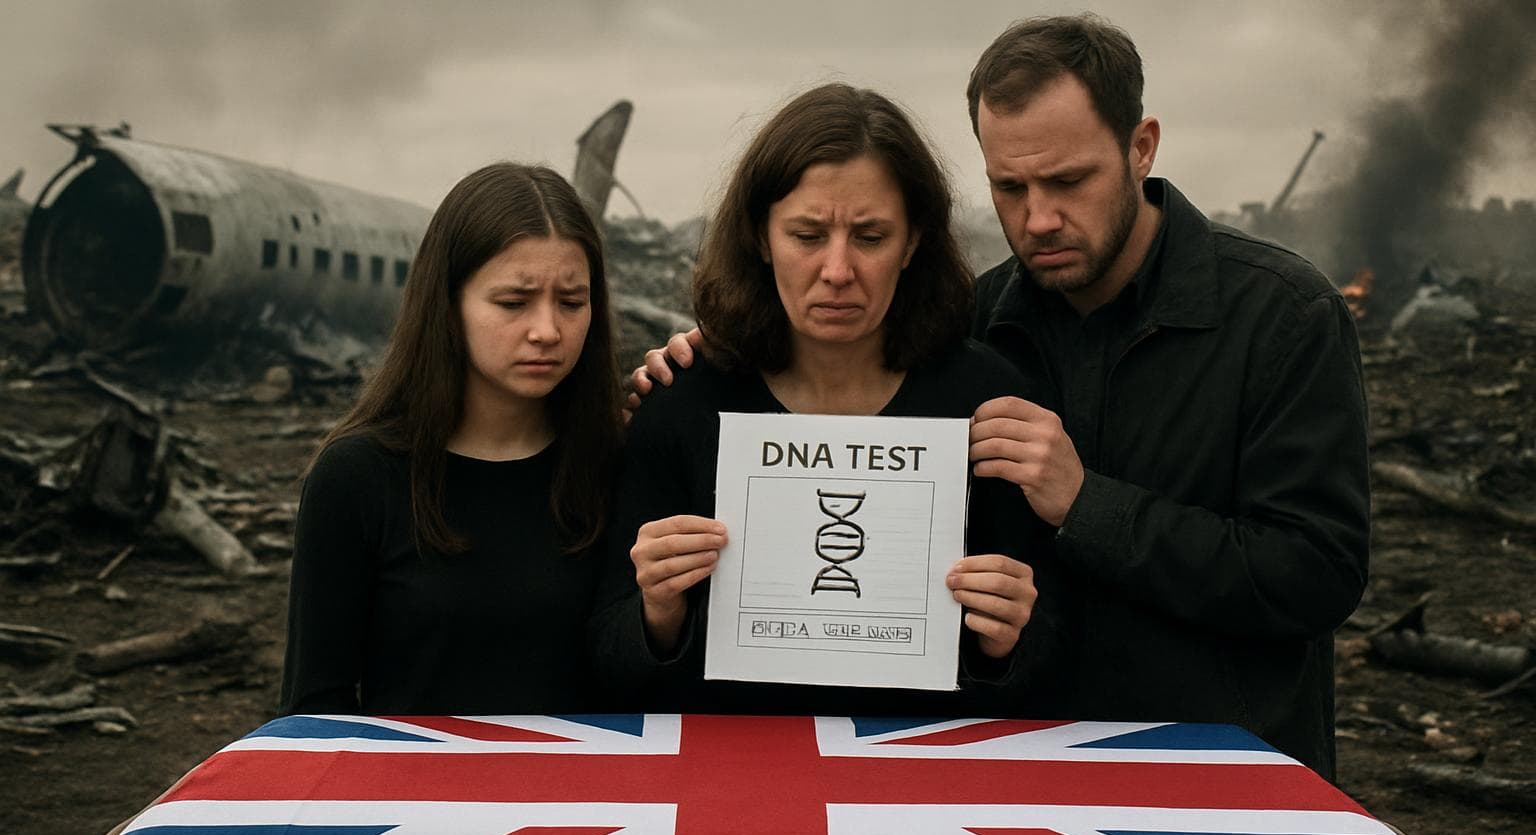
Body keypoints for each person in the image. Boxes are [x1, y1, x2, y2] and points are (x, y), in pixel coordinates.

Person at [627, 14, 1370, 777]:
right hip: (1023, 784)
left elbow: (1316, 575)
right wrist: (712, 349)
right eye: (1008, 186)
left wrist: (1088, 506)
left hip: (1227, 777)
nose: (1039, 217)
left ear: (1141, 147)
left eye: (1069, 181)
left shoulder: (1282, 315)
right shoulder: (971, 326)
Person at [590, 83, 1055, 717]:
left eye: (870, 237)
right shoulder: (684, 401)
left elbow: (1051, 664)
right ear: (761, 237)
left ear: (913, 242)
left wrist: (1003, 642)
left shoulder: (988, 410)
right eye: (808, 235)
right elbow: (606, 667)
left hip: (922, 787)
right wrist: (657, 615)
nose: (837, 270)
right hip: (732, 786)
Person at [280, 163, 623, 716]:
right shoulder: (358, 477)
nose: (547, 331)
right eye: (513, 303)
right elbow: (315, 708)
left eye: (572, 302)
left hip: (588, 799)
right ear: (448, 303)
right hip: (412, 800)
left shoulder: (619, 461)